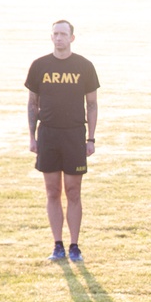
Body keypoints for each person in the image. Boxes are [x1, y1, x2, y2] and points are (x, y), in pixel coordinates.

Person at [26, 20, 100, 262]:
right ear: (51, 37)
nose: (59, 38)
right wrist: (32, 136)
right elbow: (32, 103)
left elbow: (92, 104)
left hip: (74, 135)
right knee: (52, 191)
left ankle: (74, 246)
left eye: (63, 34)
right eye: (55, 34)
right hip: (48, 135)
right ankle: (57, 244)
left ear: (72, 38)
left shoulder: (84, 66)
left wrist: (91, 138)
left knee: (73, 191)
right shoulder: (39, 66)